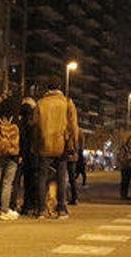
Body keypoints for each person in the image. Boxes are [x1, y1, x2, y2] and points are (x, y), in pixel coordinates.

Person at [33, 77, 78, 219]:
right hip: (61, 145)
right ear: (60, 87)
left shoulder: (40, 103)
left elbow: (35, 127)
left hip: (44, 144)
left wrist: (35, 146)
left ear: (47, 88)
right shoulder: (66, 102)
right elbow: (73, 126)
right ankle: (61, 209)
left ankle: (41, 210)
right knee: (61, 177)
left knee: (42, 177)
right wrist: (74, 144)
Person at [119, 135, 131, 200]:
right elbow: (120, 157)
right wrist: (126, 158)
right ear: (128, 141)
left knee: (128, 181)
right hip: (124, 166)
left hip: (130, 166)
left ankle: (125, 194)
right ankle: (123, 195)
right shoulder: (124, 148)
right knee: (124, 180)